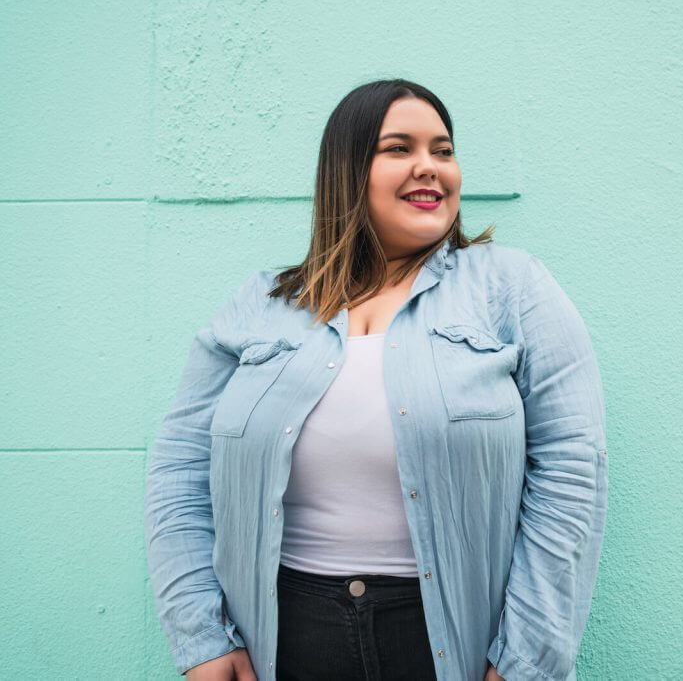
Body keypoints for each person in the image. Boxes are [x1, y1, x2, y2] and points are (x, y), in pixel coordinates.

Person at [144, 78, 608, 681]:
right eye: (400, 149)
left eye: (443, 151)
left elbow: (573, 470)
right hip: (284, 638)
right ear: (346, 170)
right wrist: (201, 636)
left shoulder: (509, 288)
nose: (430, 168)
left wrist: (527, 660)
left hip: (451, 640)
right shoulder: (260, 303)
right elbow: (179, 468)